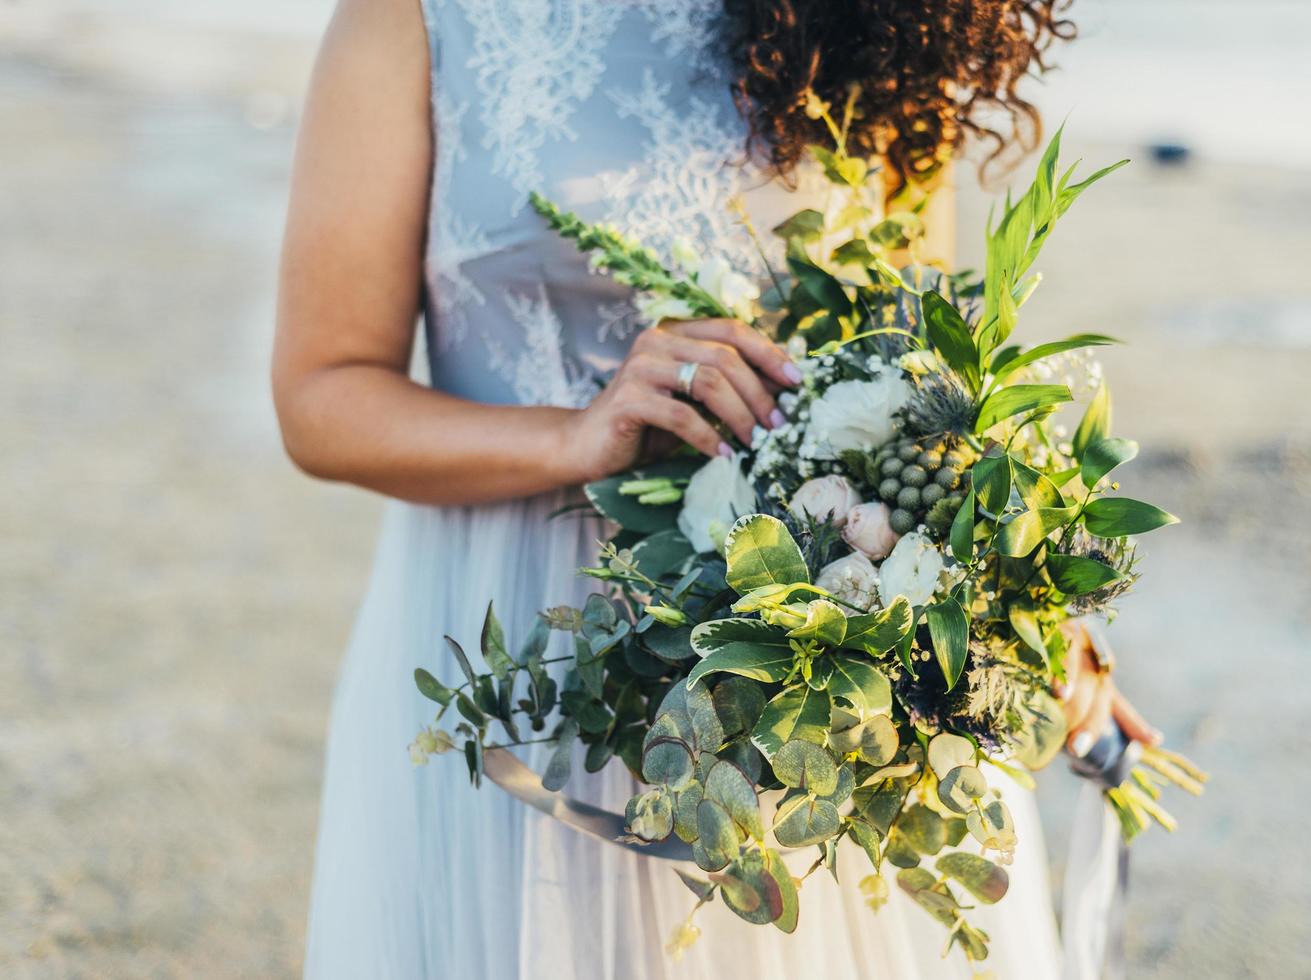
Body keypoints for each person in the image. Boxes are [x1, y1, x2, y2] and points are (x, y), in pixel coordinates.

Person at [273, 1, 1160, 976]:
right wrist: (574, 435)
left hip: (811, 671)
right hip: (523, 642)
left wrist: (1020, 612)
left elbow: (913, 373)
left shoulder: (879, 17)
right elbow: (323, 394)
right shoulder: (414, 19)